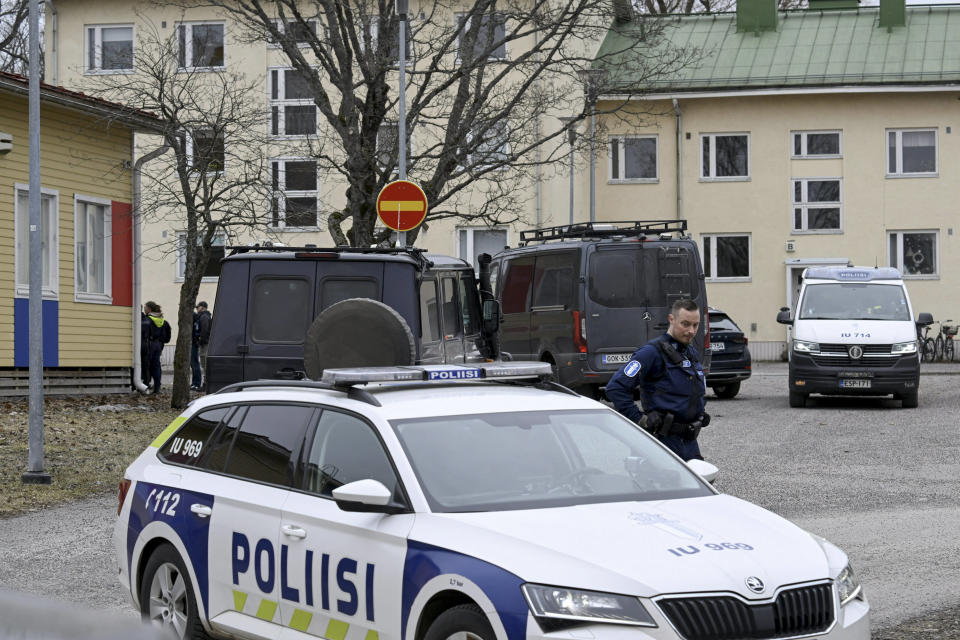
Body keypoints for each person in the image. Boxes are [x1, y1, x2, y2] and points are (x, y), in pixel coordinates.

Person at [605, 298, 710, 461]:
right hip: (662, 442)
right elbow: (615, 388)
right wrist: (639, 420)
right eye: (685, 324)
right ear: (671, 319)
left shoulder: (690, 353)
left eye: (695, 325)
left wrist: (699, 411)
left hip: (689, 442)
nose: (691, 331)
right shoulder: (651, 353)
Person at [142, 301, 172, 394]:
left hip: (149, 345)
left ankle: (146, 386)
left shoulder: (147, 320)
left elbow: (143, 334)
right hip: (159, 345)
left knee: (146, 365)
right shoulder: (164, 321)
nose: (144, 310)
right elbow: (167, 338)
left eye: (145, 308)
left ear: (149, 309)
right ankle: (157, 387)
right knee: (156, 366)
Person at [191, 301, 212, 391]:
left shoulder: (204, 317)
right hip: (204, 343)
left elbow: (204, 330)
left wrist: (201, 341)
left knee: (205, 363)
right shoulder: (203, 316)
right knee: (203, 364)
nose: (196, 309)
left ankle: (206, 384)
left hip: (205, 344)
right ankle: (205, 383)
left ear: (202, 307)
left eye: (197, 307)